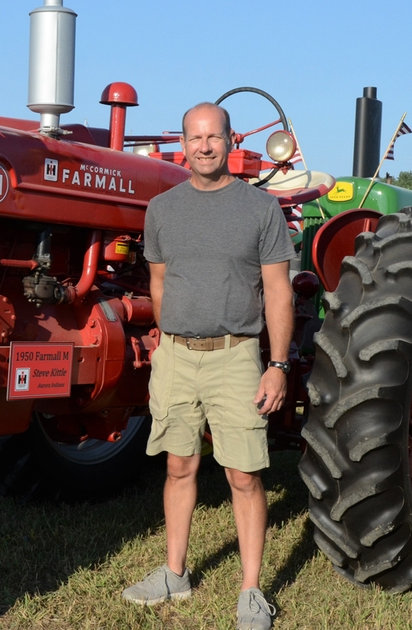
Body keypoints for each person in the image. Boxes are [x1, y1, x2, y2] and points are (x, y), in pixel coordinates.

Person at [122, 103, 294, 630]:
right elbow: (158, 281)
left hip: (235, 356)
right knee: (178, 465)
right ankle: (175, 573)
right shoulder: (162, 209)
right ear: (183, 143)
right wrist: (162, 341)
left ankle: (250, 592)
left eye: (213, 138)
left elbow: (277, 291)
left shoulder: (260, 209)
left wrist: (278, 364)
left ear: (230, 141)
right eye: (194, 138)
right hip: (175, 356)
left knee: (243, 474)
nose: (203, 147)